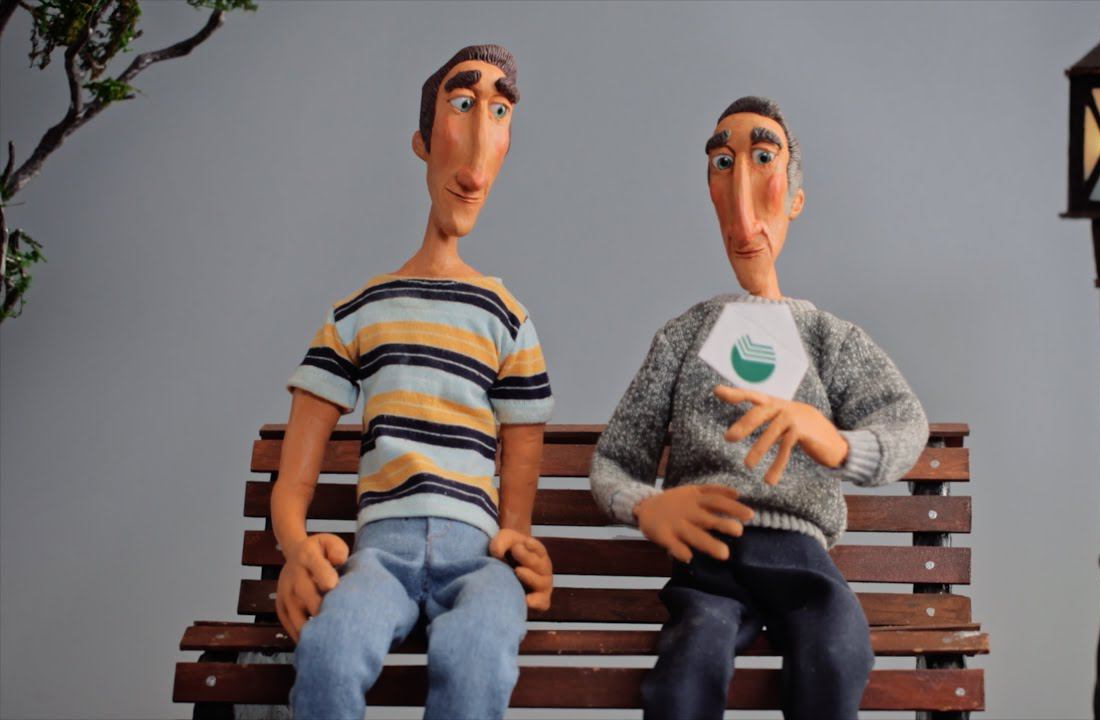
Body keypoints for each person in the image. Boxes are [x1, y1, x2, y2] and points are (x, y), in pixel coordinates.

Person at [589, 96, 929, 720]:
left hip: (801, 557)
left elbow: (904, 420)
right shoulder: (685, 335)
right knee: (686, 672)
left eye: (763, 158)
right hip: (709, 559)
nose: (742, 192)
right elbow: (616, 457)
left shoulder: (827, 338)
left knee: (837, 654)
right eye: (723, 163)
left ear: (795, 198)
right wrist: (644, 504)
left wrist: (838, 442)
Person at [271, 44, 554, 719]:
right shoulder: (360, 311)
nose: (477, 149)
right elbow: (294, 480)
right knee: (330, 650)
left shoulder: (506, 317)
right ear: (423, 142)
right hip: (380, 556)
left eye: (499, 112)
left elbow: (521, 453)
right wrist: (296, 548)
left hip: (478, 557)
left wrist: (518, 541)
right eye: (462, 105)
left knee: (478, 652)